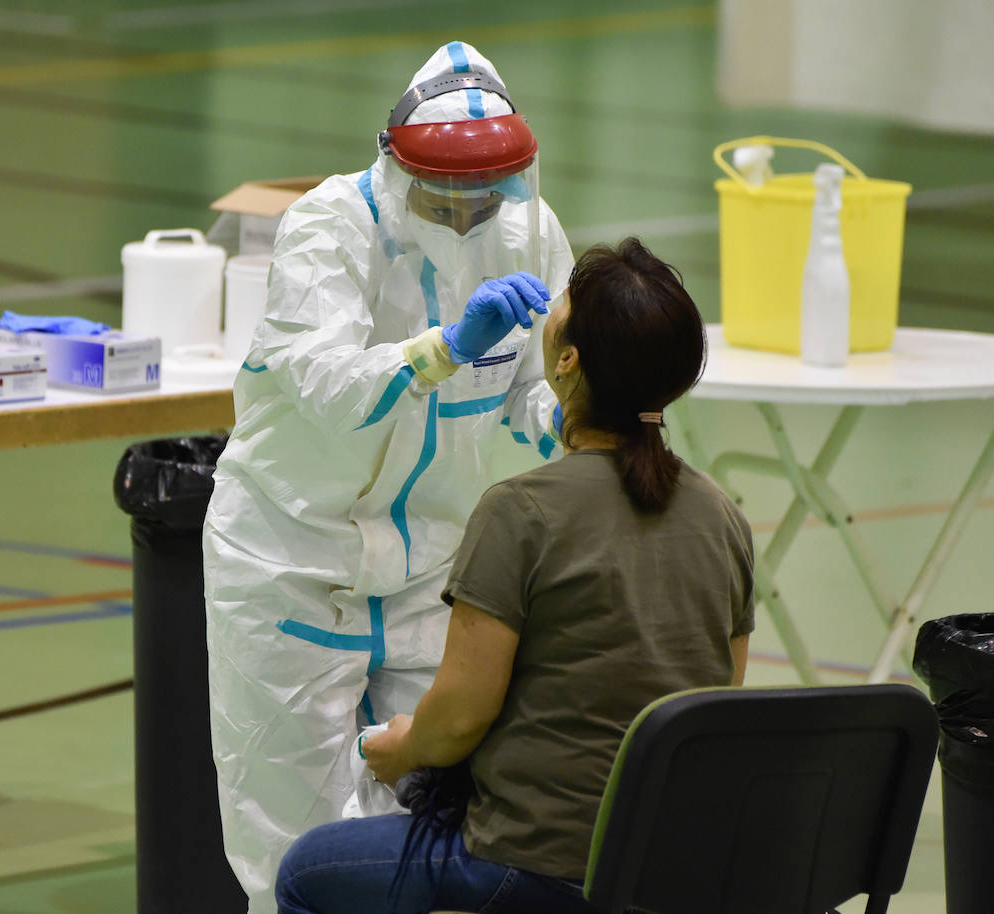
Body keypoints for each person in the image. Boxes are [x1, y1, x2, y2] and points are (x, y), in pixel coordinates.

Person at [274, 237, 755, 914]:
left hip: (538, 865)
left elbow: (460, 718)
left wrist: (402, 749)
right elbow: (714, 702)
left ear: (566, 361)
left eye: (562, 307)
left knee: (307, 872)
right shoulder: (722, 516)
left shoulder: (520, 511)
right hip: (670, 870)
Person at [202, 41, 576, 913]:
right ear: (395, 162)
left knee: (444, 822)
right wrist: (444, 349)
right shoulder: (329, 227)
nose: (464, 213)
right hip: (293, 560)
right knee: (291, 849)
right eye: (444, 194)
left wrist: (559, 419)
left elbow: (534, 383)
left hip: (429, 575)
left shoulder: (528, 229)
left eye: (484, 195)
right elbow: (327, 385)